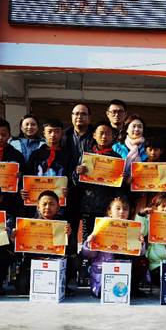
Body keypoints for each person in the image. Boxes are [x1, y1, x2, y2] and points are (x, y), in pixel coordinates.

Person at [80, 196, 146, 298]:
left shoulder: (131, 229)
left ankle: (132, 288)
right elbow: (88, 254)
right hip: (103, 272)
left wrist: (140, 243)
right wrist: (90, 243)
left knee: (142, 262)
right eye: (118, 208)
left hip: (125, 268)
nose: (122, 212)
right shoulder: (101, 227)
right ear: (109, 212)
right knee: (107, 292)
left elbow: (139, 253)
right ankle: (103, 288)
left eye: (125, 209)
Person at [73, 121, 124, 242]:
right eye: (101, 133)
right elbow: (76, 184)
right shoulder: (86, 156)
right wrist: (77, 173)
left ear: (113, 136)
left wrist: (121, 178)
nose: (104, 136)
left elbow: (119, 188)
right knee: (88, 241)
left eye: (108, 134)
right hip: (88, 206)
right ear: (94, 135)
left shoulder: (117, 158)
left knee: (106, 241)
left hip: (108, 207)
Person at [14, 190, 72, 295]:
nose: (47, 207)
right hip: (33, 262)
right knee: (22, 288)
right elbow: (20, 251)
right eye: (44, 204)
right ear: (38, 207)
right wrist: (14, 239)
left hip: (55, 262)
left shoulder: (63, 225)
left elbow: (69, 251)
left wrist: (68, 237)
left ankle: (63, 284)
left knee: (75, 260)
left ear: (58, 208)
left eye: (51, 204)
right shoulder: (28, 224)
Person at [63, 103, 94, 256]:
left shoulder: (96, 136)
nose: (79, 117)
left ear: (89, 118)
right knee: (70, 228)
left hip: (92, 189)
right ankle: (71, 260)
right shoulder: (64, 137)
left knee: (90, 230)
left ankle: (88, 261)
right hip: (69, 189)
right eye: (76, 114)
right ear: (71, 117)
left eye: (83, 114)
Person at [135, 193, 166, 285]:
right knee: (163, 279)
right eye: (163, 206)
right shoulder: (150, 220)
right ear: (156, 207)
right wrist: (141, 215)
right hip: (156, 264)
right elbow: (141, 231)